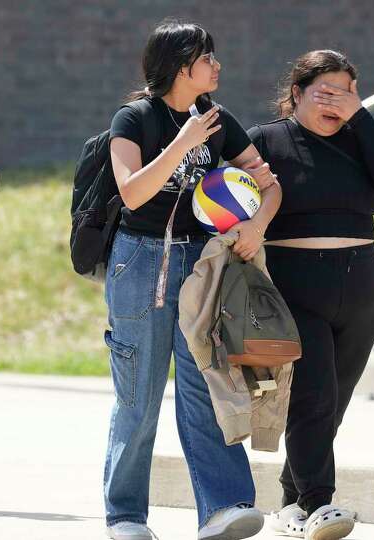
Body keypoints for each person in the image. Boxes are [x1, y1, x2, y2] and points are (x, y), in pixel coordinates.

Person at [104, 20, 282, 540]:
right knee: (138, 395)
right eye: (208, 58)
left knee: (207, 382)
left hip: (202, 265)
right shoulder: (134, 119)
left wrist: (257, 224)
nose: (217, 66)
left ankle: (223, 507)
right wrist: (182, 143)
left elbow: (268, 185)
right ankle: (126, 516)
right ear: (182, 66)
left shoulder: (218, 119)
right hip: (139, 261)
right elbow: (133, 193)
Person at [250, 50, 374, 540]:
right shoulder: (266, 140)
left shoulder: (360, 138)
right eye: (324, 92)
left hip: (363, 287)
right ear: (296, 94)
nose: (334, 102)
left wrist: (359, 116)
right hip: (295, 285)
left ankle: (290, 500)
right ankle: (320, 503)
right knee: (314, 396)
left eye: (345, 92)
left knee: (333, 402)